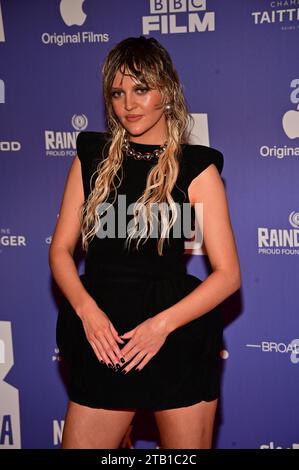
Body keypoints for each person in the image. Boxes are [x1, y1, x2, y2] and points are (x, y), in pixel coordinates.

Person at [49, 36, 241, 449]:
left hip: (173, 337)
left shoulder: (197, 167)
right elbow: (61, 251)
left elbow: (227, 276)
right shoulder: (91, 158)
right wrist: (87, 312)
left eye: (141, 89)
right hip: (103, 338)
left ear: (166, 93)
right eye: (117, 93)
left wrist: (161, 327)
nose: (128, 104)